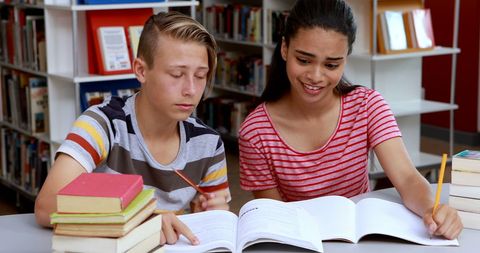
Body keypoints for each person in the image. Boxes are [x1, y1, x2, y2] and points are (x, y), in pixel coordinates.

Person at [238, 0, 462, 240]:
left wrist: (432, 209)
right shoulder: (255, 132)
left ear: (346, 59)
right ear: (284, 48)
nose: (315, 76)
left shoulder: (367, 106)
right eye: (303, 60)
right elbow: (274, 217)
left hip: (361, 241)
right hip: (301, 242)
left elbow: (407, 178)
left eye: (331, 64)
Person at [35, 12, 231, 245]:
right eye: (177, 74)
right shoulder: (104, 124)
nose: (191, 89)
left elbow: (216, 223)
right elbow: (47, 205)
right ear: (141, 70)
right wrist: (146, 219)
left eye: (200, 76)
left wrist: (214, 213)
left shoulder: (208, 143)